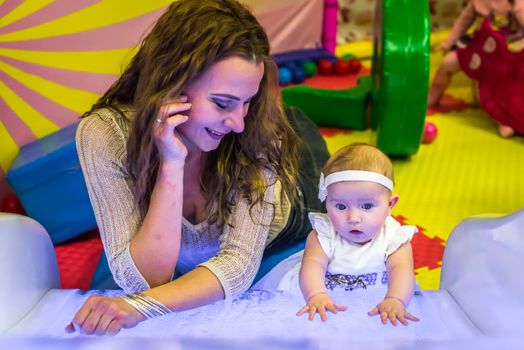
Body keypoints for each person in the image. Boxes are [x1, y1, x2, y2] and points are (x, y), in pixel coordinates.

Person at [68, 0, 328, 336]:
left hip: (297, 192)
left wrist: (140, 307)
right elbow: (144, 280)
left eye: (247, 101)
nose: (237, 122)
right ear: (172, 83)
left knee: (352, 202)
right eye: (222, 102)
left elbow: (238, 266)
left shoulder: (255, 132)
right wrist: (171, 163)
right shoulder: (104, 133)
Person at [274, 143, 419, 325]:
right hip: (318, 293)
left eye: (367, 206)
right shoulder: (324, 233)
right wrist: (316, 294)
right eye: (341, 206)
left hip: (380, 298)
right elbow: (313, 265)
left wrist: (396, 300)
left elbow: (402, 270)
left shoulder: (394, 237)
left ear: (390, 205)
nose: (353, 218)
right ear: (326, 203)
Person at [427, 0, 524, 137]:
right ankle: (434, 95)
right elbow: (462, 22)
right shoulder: (477, 2)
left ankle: (505, 121)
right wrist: (449, 42)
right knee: (448, 63)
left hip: (507, 51)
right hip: (480, 45)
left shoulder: (517, 4)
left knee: (502, 87)